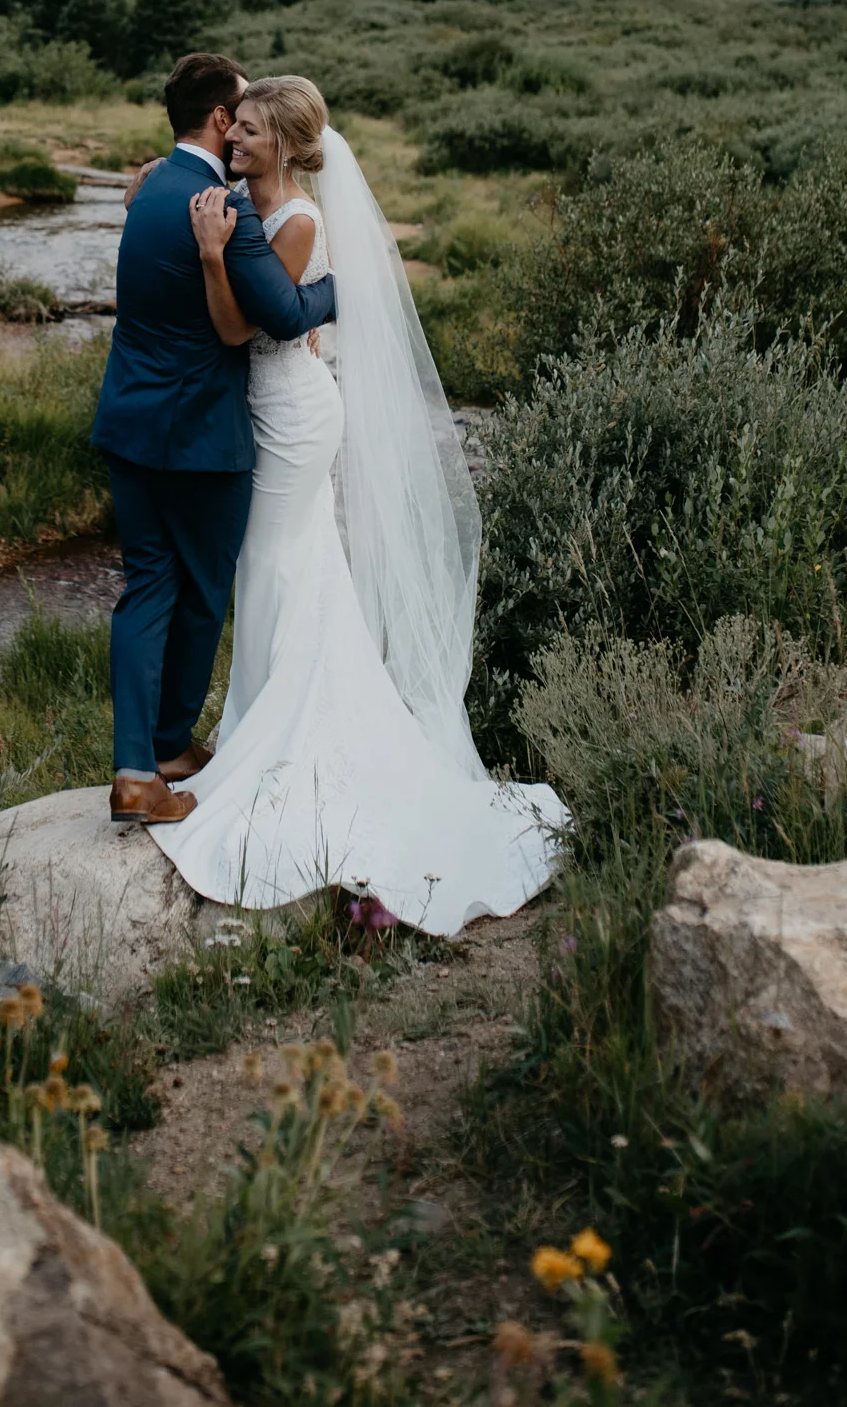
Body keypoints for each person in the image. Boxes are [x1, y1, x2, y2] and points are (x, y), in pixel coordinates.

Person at [160, 74, 566, 935]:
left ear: (286, 143)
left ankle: (278, 750)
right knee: (288, 564)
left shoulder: (299, 221)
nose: (235, 139)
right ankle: (258, 729)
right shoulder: (238, 200)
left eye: (253, 131)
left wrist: (210, 259)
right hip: (265, 411)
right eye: (235, 128)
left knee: (272, 561)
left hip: (295, 414)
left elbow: (248, 330)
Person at [91, 52, 337, 826]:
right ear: (223, 120)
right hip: (201, 441)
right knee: (200, 594)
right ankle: (161, 750)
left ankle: (147, 762)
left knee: (146, 589)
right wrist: (348, 279)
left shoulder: (150, 190)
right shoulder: (218, 212)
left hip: (129, 423)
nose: (246, 124)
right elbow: (288, 316)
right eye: (242, 109)